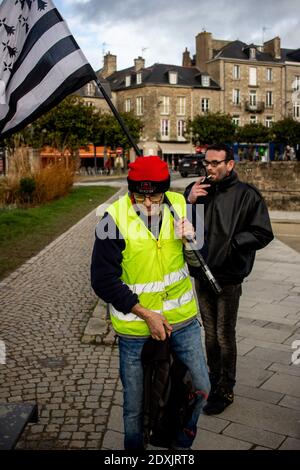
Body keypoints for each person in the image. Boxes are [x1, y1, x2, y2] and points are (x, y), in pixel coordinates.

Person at [91, 156, 210, 450]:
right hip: (135, 329)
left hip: (183, 322)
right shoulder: (113, 217)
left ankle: (180, 444)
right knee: (135, 407)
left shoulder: (182, 206)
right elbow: (102, 280)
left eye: (154, 195)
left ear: (165, 190)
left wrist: (192, 241)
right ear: (131, 190)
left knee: (201, 388)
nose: (147, 203)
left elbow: (198, 264)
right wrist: (145, 313)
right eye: (140, 195)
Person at [184, 144, 274, 415]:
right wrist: (189, 200)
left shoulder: (247, 195)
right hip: (202, 272)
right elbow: (180, 226)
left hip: (229, 276)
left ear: (230, 164)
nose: (209, 168)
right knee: (209, 334)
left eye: (215, 163)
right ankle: (213, 380)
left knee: (224, 334)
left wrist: (233, 244)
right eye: (206, 163)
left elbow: (263, 232)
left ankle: (225, 389)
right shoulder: (197, 191)